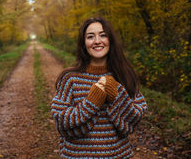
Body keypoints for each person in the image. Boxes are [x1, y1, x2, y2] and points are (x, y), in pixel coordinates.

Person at [51, 17, 147, 158]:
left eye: (103, 35)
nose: (97, 41)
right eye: (90, 37)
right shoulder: (70, 78)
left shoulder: (124, 75)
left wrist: (115, 93)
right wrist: (92, 102)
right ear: (83, 43)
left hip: (118, 155)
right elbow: (62, 122)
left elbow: (133, 120)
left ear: (110, 40)